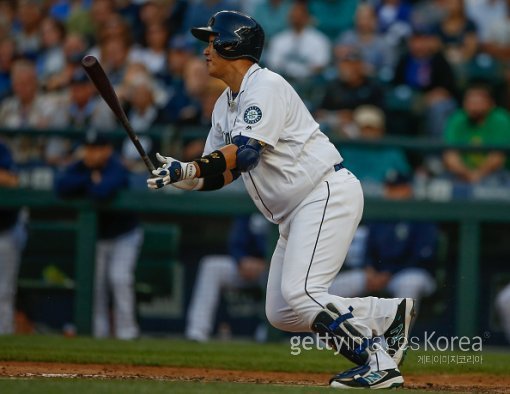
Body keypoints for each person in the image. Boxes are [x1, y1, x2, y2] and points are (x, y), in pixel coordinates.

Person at [147, 10, 415, 389]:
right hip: (295, 212)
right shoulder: (225, 104)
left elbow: (247, 152)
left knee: (303, 293)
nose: (206, 50)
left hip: (323, 193)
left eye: (212, 41)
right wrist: (180, 178)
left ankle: (378, 362)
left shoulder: (265, 87)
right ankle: (387, 313)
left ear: (231, 44)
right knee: (283, 312)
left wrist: (188, 169)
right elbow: (221, 173)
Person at [55, 131, 143, 340]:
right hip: (98, 238)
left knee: (119, 278)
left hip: (124, 235)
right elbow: (60, 186)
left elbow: (103, 191)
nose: (91, 154)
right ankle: (98, 333)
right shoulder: (83, 167)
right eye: (88, 149)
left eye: (96, 149)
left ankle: (127, 333)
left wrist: (88, 184)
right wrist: (89, 179)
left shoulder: (116, 165)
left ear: (107, 150)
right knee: (95, 286)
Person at [329, 171, 438, 306]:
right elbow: (369, 249)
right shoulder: (380, 215)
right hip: (378, 274)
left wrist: (389, 273)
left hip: (409, 272)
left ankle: (401, 328)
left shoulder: (420, 214)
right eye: (389, 188)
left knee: (409, 284)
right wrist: (369, 269)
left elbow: (420, 257)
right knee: (337, 286)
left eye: (397, 189)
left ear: (408, 189)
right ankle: (325, 326)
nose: (391, 193)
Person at [186, 214, 269, 342]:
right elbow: (235, 242)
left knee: (277, 275)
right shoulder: (250, 203)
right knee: (211, 266)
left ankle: (266, 333)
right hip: (245, 266)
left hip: (274, 268)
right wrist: (241, 260)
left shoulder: (288, 203)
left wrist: (267, 262)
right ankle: (197, 332)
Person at [442, 83, 510, 184]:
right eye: (470, 101)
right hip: (461, 174)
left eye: (479, 101)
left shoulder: (501, 119)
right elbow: (450, 156)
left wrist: (478, 174)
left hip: (496, 173)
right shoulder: (457, 118)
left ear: (491, 103)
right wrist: (467, 174)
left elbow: (498, 157)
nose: (473, 105)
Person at [0, 141, 26, 335]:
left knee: (4, 289)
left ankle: (5, 332)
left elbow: (12, 180)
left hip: (6, 229)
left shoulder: (2, 149)